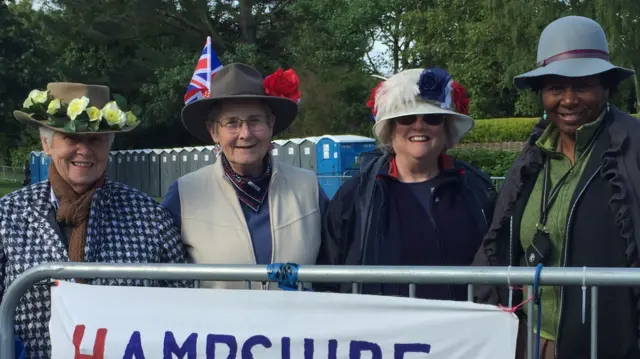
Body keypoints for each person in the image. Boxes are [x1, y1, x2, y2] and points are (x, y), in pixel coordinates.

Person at [472, 16, 640, 359]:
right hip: (529, 340)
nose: (569, 99)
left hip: (607, 346)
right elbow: (499, 241)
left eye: (583, 86)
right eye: (555, 88)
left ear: (606, 87)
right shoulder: (532, 158)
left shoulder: (632, 150)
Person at [0, 82, 192, 358]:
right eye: (71, 138)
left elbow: (183, 304)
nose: (84, 150)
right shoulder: (8, 215)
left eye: (96, 140)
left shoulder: (149, 215)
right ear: (47, 143)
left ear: (109, 145)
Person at [317, 67, 496, 299]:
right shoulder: (354, 197)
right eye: (406, 118)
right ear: (390, 131)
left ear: (446, 129)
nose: (419, 126)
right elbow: (327, 279)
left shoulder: (477, 189)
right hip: (380, 333)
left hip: (463, 333)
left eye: (432, 118)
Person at [162, 63, 329, 289]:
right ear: (214, 132)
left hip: (297, 322)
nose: (245, 134)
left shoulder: (307, 187)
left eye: (255, 121)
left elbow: (333, 268)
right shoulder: (185, 193)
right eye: (232, 123)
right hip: (219, 325)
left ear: (270, 124)